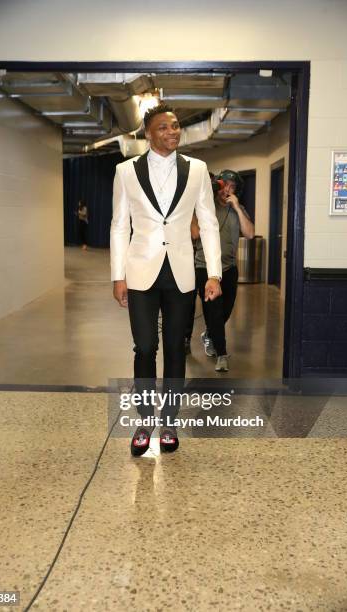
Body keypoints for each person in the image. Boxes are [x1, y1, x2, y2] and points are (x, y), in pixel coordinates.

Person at [110, 103, 222, 456]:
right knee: (145, 348)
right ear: (149, 133)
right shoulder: (126, 171)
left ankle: (169, 421)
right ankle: (145, 421)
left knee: (175, 349)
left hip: (181, 274)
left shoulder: (198, 169)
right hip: (140, 270)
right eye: (164, 127)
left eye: (176, 126)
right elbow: (118, 226)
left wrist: (215, 272)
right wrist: (117, 275)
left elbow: (208, 222)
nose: (173, 132)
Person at [190, 170, 255, 372]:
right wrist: (196, 208)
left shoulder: (239, 209)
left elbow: (250, 234)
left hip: (229, 268)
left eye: (231, 187)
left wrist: (236, 206)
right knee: (215, 311)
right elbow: (193, 234)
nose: (226, 189)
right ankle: (222, 354)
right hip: (205, 267)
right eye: (223, 184)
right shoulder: (204, 208)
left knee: (225, 310)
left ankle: (209, 334)